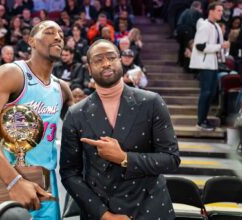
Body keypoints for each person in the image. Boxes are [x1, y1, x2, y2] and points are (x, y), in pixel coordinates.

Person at [60, 39, 180, 220]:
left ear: (121, 61)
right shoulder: (75, 114)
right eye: (98, 60)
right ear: (89, 69)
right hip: (100, 211)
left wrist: (124, 158)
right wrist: (104, 215)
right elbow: (69, 174)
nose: (106, 63)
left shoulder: (152, 102)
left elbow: (171, 159)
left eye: (111, 57)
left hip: (150, 208)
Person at [0, 20, 73, 219]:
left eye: (61, 34)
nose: (58, 37)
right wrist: (13, 181)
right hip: (7, 179)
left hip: (46, 184)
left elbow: (83, 133)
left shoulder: (62, 89)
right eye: (50, 32)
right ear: (31, 41)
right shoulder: (13, 73)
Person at [189, 1, 230, 131]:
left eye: (222, 11)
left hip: (213, 64)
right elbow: (199, 46)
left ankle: (204, 119)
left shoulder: (216, 26)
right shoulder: (205, 26)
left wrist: (222, 52)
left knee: (211, 93)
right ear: (211, 11)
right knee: (206, 93)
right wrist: (220, 47)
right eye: (218, 10)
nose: (221, 13)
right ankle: (200, 122)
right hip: (205, 64)